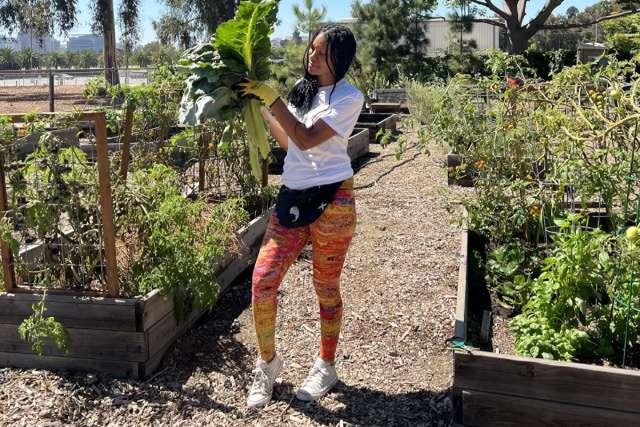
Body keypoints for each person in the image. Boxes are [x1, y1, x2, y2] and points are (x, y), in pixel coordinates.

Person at [239, 24, 364, 409]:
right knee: (262, 280)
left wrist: (272, 97)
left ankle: (326, 365)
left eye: (320, 52)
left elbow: (309, 137)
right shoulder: (301, 91)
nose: (311, 56)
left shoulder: (348, 97)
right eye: (311, 49)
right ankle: (268, 363)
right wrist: (256, 106)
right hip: (292, 196)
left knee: (325, 287)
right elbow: (290, 140)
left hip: (334, 200)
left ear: (339, 58)